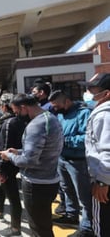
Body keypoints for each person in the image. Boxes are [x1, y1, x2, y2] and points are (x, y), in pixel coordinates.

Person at [0, 94, 63, 237]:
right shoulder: (50, 118)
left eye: (16, 112)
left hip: (36, 184)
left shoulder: (35, 125)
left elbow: (28, 161)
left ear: (24, 107)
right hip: (50, 180)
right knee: (44, 224)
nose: (16, 115)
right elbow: (44, 149)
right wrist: (19, 151)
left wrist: (9, 156)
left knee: (38, 228)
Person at [48, 90, 94, 237]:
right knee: (67, 189)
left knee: (84, 196)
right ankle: (71, 215)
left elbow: (87, 138)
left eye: (56, 106)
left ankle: (88, 227)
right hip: (62, 159)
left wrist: (65, 141)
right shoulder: (60, 114)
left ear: (66, 101)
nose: (55, 109)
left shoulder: (84, 113)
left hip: (78, 162)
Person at [0, 93, 26, 237]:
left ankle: (15, 229)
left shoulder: (9, 123)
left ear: (6, 106)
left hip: (7, 164)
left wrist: (0, 169)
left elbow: (4, 147)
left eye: (0, 106)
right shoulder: (13, 121)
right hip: (10, 162)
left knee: (12, 196)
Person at [80, 73, 110, 237]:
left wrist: (102, 182)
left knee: (102, 226)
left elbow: (107, 151)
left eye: (93, 90)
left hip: (104, 182)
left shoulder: (104, 114)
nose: (89, 95)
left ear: (106, 94)